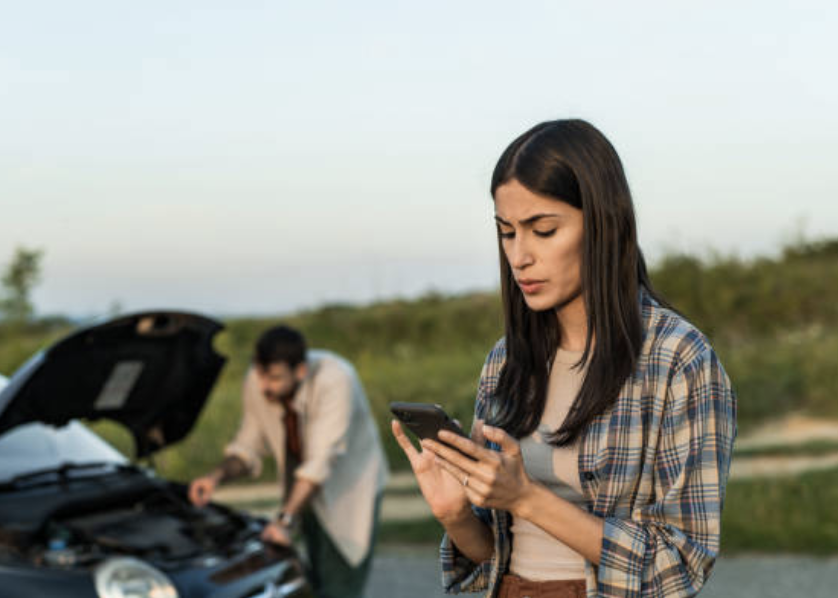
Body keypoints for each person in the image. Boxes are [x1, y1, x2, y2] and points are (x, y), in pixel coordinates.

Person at [392, 119, 737, 598]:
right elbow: (495, 558)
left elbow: (679, 566)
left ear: (603, 223)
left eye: (543, 230)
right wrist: (456, 515)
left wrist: (527, 499)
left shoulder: (678, 359)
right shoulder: (506, 360)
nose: (519, 256)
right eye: (507, 232)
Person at [190, 325, 388, 598]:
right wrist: (216, 477)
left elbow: (320, 462)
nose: (263, 387)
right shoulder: (258, 380)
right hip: (300, 489)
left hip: (349, 491)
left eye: (273, 378)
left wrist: (284, 521)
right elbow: (248, 444)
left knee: (340, 583)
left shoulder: (336, 379)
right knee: (305, 580)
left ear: (300, 371)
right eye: (260, 375)